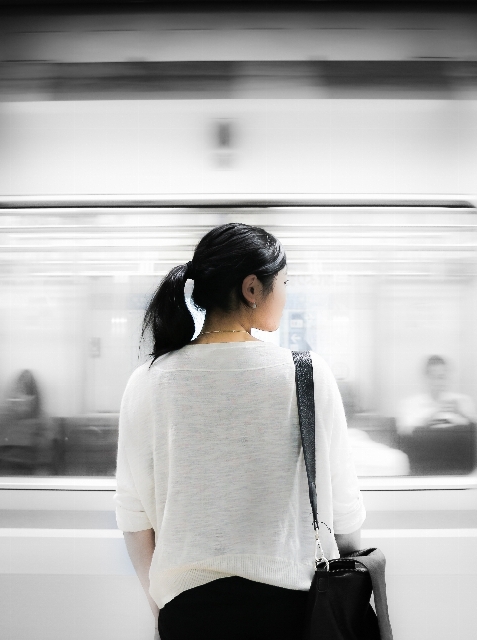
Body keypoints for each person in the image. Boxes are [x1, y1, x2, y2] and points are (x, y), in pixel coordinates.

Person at [114, 223, 366, 640]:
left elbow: (134, 516)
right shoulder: (307, 374)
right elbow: (343, 512)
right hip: (292, 613)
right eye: (283, 282)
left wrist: (161, 612)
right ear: (252, 288)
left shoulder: (146, 380)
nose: (285, 295)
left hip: (188, 614)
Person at [0, 369, 50, 476]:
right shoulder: (1, 417)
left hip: (29, 478)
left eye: (26, 394)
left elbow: (44, 462)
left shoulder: (42, 422)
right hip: (1, 475)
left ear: (33, 398)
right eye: (17, 393)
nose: (20, 399)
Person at [396, 355, 477, 436]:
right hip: (422, 448)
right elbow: (403, 433)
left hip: (457, 448)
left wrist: (461, 413)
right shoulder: (410, 404)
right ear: (426, 378)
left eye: (442, 377)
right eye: (433, 377)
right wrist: (432, 415)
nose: (438, 382)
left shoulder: (462, 401)